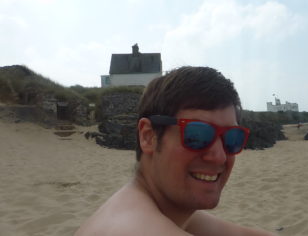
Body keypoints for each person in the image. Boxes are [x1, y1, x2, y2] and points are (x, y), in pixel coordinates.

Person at [76, 67, 273, 235]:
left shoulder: (164, 210)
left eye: (232, 138)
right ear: (148, 136)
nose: (219, 155)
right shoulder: (136, 227)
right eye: (197, 135)